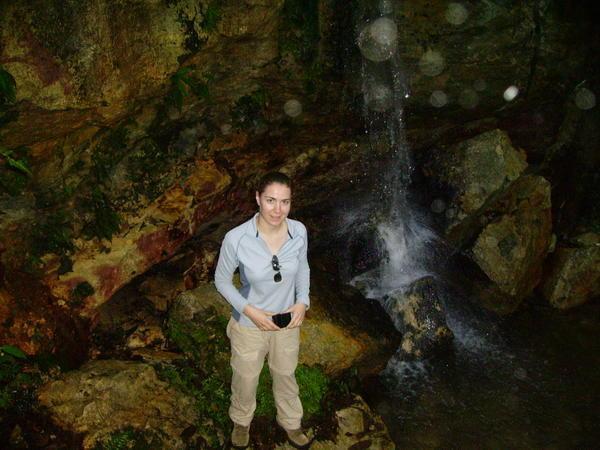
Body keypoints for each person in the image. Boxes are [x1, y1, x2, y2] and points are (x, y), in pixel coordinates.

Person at [214, 171, 311, 449]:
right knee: (245, 378)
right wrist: (250, 311)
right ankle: (241, 422)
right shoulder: (237, 238)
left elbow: (303, 267)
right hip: (249, 323)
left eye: (285, 202)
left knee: (285, 374)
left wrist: (303, 301)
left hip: (288, 321)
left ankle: (291, 423)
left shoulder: (299, 231)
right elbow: (221, 280)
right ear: (257, 198)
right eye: (270, 200)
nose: (277, 210)